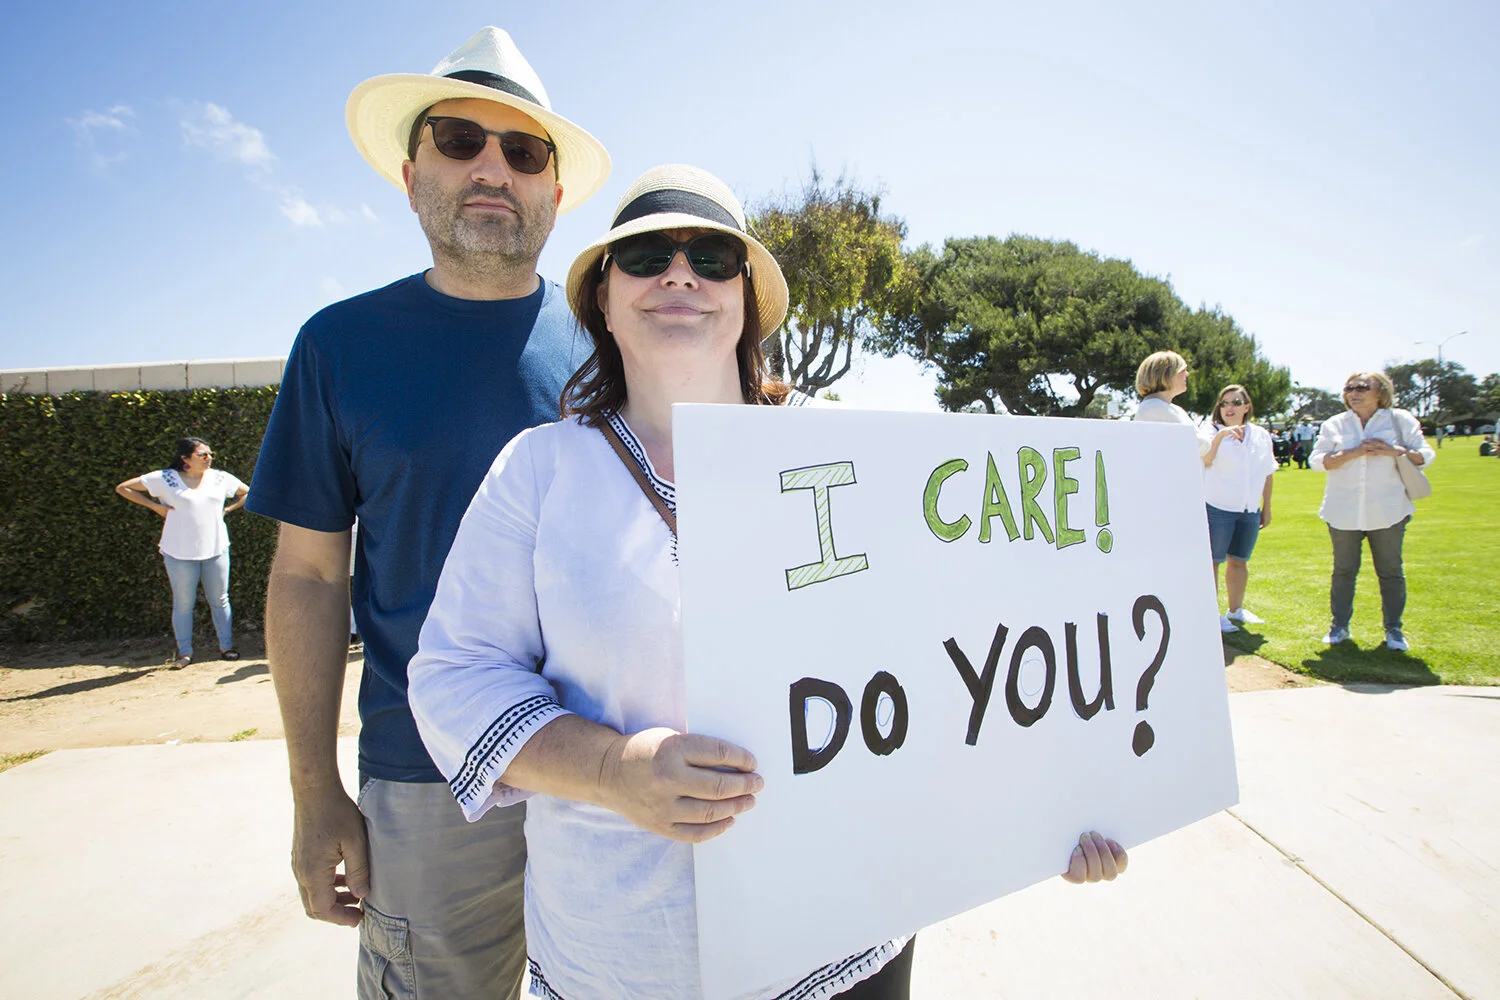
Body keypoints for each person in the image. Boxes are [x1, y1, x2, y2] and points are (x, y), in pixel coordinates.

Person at [406, 165, 1128, 1000]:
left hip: (847, 945)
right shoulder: (538, 470)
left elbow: (965, 656)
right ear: (603, 297)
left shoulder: (853, 454)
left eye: (712, 257)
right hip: (621, 960)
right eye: (645, 255)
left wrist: (1056, 807)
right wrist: (612, 771)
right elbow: (455, 675)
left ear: (744, 298)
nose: (680, 273)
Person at [244, 27, 610, 1000]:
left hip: (616, 772)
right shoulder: (338, 345)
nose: (493, 168)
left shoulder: (617, 345)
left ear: (555, 192)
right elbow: (309, 576)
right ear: (412, 176)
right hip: (427, 779)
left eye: (524, 151)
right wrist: (314, 789)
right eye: (460, 140)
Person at [1309, 371, 1434, 651]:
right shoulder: (1335, 424)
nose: (1354, 392)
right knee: (1343, 571)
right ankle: (1339, 626)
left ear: (1381, 391)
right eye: (1349, 387)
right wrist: (1351, 453)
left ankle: (1394, 630)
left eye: (1362, 387)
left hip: (1388, 510)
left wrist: (1395, 451)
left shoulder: (1399, 420)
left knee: (1390, 571)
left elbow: (1425, 455)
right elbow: (1316, 461)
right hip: (1343, 510)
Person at [115, 437, 247, 666]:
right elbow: (123, 488)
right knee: (184, 602)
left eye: (210, 454)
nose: (209, 458)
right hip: (178, 553)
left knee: (220, 599)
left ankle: (226, 647)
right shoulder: (165, 478)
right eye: (203, 454)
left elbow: (248, 492)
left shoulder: (220, 478)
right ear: (185, 459)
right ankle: (185, 652)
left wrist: (227, 510)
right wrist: (155, 507)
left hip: (215, 549)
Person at [1201, 385, 1276, 633]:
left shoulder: (1261, 435)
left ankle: (1236, 610)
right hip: (1218, 507)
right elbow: (1206, 460)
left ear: (1246, 407)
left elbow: (1267, 472)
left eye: (1235, 402)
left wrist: (1266, 507)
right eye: (1224, 403)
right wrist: (1221, 437)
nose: (1229, 408)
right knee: (1213, 561)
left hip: (1249, 508)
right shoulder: (1209, 431)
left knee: (1239, 561)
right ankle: (1211, 612)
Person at [1132, 350, 1213, 456]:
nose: (1187, 374)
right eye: (1182, 370)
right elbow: (1199, 446)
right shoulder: (1155, 408)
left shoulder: (1165, 407)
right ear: (1166, 374)